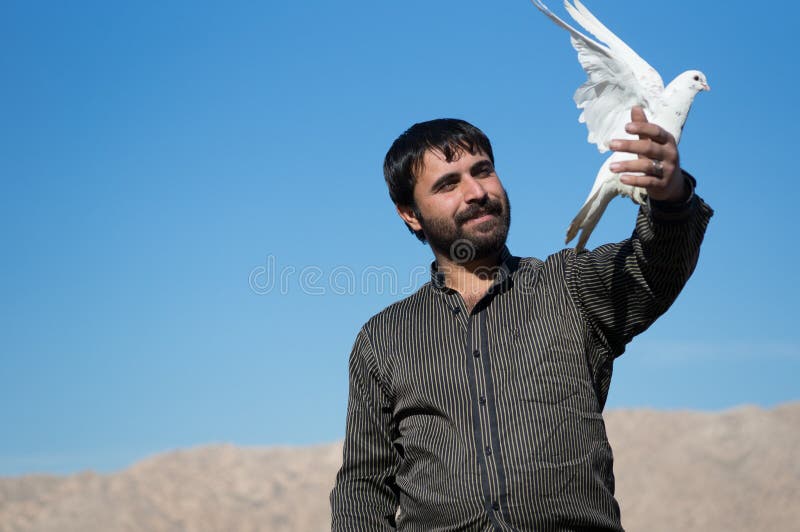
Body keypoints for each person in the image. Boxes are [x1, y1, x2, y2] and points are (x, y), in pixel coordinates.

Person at [329, 108, 713, 531]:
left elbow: (655, 266)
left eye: (483, 171)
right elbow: (362, 489)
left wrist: (671, 196)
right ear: (410, 214)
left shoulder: (568, 287)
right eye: (448, 184)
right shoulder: (383, 340)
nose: (476, 191)